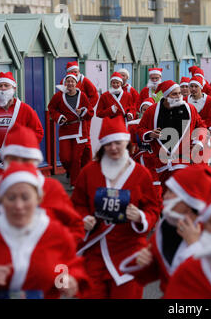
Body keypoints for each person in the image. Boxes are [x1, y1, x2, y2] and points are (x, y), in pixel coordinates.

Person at [72, 116, 161, 299]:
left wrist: (140, 217)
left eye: (118, 143)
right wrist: (83, 218)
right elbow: (77, 204)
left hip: (129, 249)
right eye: (108, 144)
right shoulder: (90, 171)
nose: (113, 148)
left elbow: (153, 208)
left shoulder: (140, 173)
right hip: (95, 248)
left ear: (127, 143)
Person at [0, 162, 90, 299]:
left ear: (39, 199)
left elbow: (70, 264)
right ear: (1, 200)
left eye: (25, 197)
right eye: (11, 197)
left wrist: (70, 280)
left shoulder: (55, 233)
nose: (18, 206)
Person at [119, 165, 211, 294]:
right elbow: (150, 273)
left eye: (172, 192)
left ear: (189, 202)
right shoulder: (166, 226)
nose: (165, 196)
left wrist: (194, 247)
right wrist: (142, 261)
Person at [0, 124, 85, 244]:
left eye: (25, 159)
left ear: (35, 161)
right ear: (5, 161)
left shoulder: (51, 188)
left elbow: (75, 226)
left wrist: (55, 252)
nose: (20, 165)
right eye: (13, 159)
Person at [135, 80, 208, 188]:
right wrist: (150, 134)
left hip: (183, 159)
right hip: (161, 162)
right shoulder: (152, 111)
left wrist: (198, 143)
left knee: (180, 189)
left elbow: (201, 126)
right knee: (164, 194)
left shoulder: (189, 109)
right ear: (165, 96)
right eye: (174, 94)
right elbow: (140, 128)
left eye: (179, 93)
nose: (179, 96)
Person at [0, 72, 44, 178]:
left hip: (20, 161)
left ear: (13, 88)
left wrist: (23, 149)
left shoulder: (26, 109)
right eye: (0, 86)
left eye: (6, 85)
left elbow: (38, 132)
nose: (3, 88)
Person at [48, 72, 94, 188]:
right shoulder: (58, 96)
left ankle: (75, 182)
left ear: (76, 83)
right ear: (65, 83)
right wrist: (59, 117)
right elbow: (51, 108)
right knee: (65, 158)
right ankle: (70, 171)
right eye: (68, 81)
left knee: (76, 158)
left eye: (72, 81)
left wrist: (83, 112)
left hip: (79, 130)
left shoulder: (82, 96)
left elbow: (90, 112)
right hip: (65, 130)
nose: (70, 83)